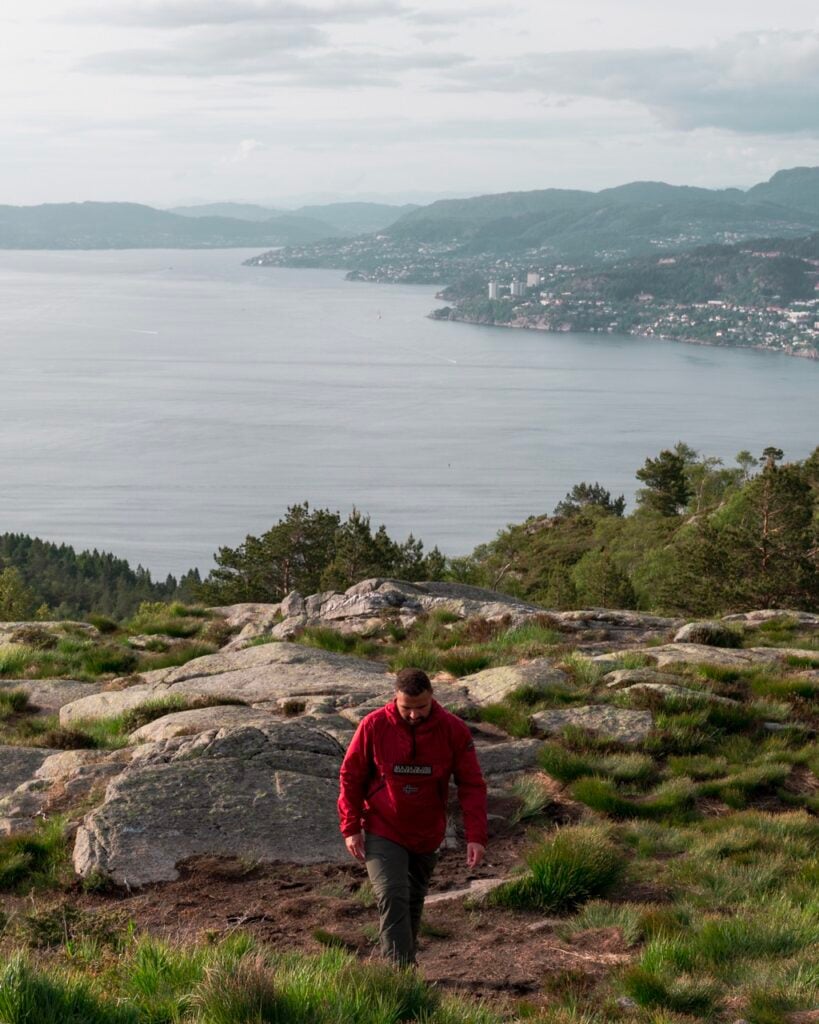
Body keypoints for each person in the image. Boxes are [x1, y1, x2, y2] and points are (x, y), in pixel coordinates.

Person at [338, 667, 487, 966]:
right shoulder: (373, 726)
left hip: (428, 831)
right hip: (383, 827)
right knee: (392, 894)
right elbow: (351, 777)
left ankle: (405, 960)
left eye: (422, 707)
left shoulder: (453, 730)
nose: (415, 715)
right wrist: (351, 826)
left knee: (413, 899)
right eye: (407, 708)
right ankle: (400, 975)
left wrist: (476, 837)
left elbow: (471, 785)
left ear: (432, 698)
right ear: (395, 699)